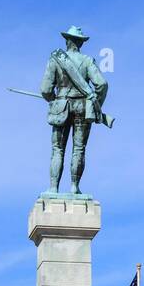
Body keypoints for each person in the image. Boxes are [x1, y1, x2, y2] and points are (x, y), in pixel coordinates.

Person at [41, 25, 109, 194]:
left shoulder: (54, 59)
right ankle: (74, 187)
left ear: (66, 41)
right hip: (82, 109)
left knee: (58, 149)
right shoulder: (87, 61)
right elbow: (102, 84)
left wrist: (53, 100)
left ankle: (53, 187)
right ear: (81, 43)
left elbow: (45, 89)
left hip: (61, 107)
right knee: (79, 149)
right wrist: (95, 104)